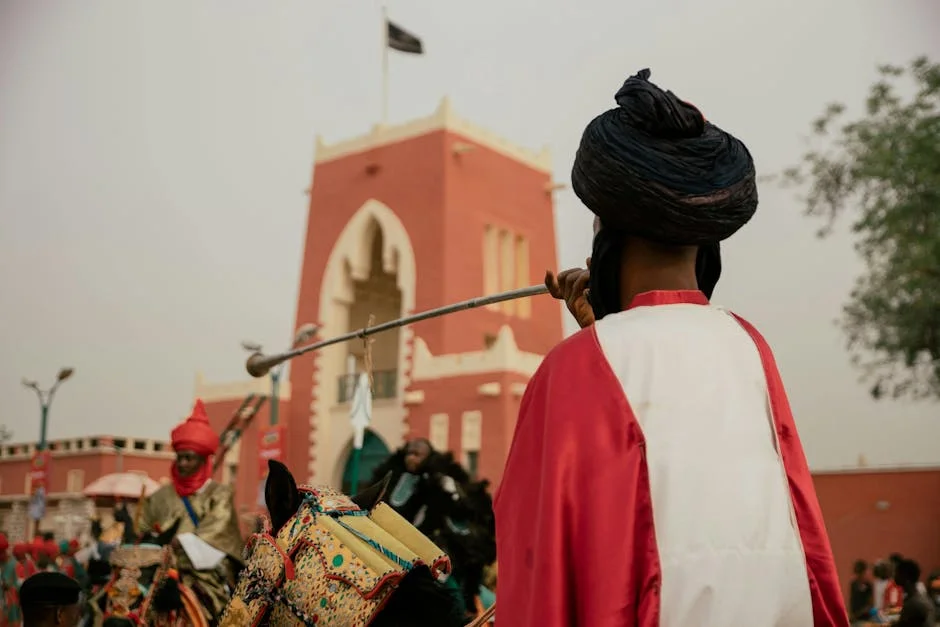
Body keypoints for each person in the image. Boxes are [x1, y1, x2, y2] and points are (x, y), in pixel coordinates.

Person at [494, 69, 847, 626]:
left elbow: (541, 560)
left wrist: (595, 343)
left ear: (604, 231)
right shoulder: (749, 346)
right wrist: (600, 334)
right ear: (705, 238)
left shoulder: (575, 367)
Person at [139, 398, 243, 620]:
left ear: (204, 460)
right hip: (155, 572)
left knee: (218, 612)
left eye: (189, 458)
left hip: (201, 574)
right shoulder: (158, 497)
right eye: (180, 457)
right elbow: (143, 530)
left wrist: (181, 542)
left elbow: (218, 535)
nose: (183, 463)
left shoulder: (219, 494)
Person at [371, 438, 496, 619]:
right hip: (394, 550)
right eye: (409, 454)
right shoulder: (394, 480)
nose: (411, 458)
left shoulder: (442, 482)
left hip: (433, 553)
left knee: (449, 593)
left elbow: (461, 511)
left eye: (417, 455)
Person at [894, 558, 934, 627]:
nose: (894, 576)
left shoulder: (913, 603)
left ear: (906, 578)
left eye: (897, 573)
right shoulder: (918, 597)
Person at [849, 559, 874, 625]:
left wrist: (859, 613)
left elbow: (870, 603)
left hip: (865, 618)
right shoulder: (853, 584)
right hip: (855, 618)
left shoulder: (868, 585)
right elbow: (852, 600)